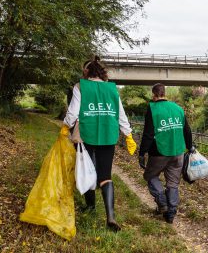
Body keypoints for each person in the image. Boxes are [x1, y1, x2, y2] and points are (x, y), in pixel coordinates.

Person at [63, 56, 137, 232]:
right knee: (105, 175)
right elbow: (120, 114)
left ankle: (90, 206)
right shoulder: (112, 89)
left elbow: (73, 113)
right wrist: (128, 135)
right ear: (102, 72)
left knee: (87, 169)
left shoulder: (80, 86)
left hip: (86, 135)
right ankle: (110, 216)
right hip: (107, 135)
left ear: (86, 72)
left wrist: (65, 127)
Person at [138, 83, 193, 224]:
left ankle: (162, 202)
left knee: (150, 175)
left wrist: (142, 152)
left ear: (154, 95)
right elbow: (187, 130)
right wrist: (189, 147)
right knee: (173, 183)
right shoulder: (178, 108)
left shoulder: (152, 108)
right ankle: (171, 213)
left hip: (159, 152)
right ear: (164, 93)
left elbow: (148, 134)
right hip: (178, 152)